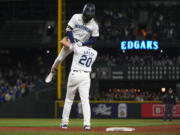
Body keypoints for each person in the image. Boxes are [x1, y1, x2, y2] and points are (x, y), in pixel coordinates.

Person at [51, 37, 98, 130]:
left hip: (75, 75)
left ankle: (64, 123)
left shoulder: (79, 48)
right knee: (85, 101)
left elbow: (63, 42)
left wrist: (68, 38)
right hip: (85, 76)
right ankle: (87, 124)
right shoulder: (95, 53)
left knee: (69, 100)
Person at [51, 3, 99, 71]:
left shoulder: (94, 24)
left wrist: (83, 44)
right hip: (71, 41)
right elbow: (68, 30)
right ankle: (52, 71)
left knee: (79, 65)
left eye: (89, 15)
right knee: (59, 59)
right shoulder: (76, 17)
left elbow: (94, 39)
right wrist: (73, 42)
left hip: (82, 45)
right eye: (87, 14)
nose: (88, 16)